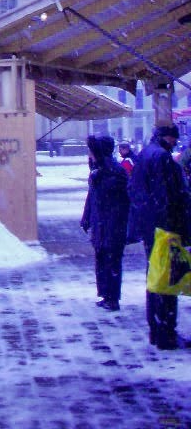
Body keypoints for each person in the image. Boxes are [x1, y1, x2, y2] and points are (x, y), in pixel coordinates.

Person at [127, 123, 189, 350]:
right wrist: (173, 228)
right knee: (167, 279)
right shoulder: (162, 157)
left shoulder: (145, 154)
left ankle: (156, 329)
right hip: (165, 228)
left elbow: (134, 189)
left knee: (155, 278)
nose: (175, 143)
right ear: (167, 138)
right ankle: (166, 334)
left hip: (151, 228)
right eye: (174, 139)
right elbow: (168, 196)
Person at [80, 134, 130, 311]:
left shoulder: (114, 172)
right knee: (101, 260)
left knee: (112, 261)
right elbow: (92, 197)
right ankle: (105, 294)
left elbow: (122, 200)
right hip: (101, 224)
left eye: (92, 151)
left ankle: (113, 298)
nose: (89, 155)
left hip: (112, 225)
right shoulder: (99, 171)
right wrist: (86, 217)